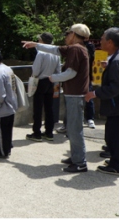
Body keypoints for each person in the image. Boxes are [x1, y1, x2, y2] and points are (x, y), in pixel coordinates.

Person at [23, 23, 90, 173]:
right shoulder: (78, 48)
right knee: (72, 128)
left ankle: (80, 162)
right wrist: (36, 45)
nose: (65, 36)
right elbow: (55, 49)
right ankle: (75, 156)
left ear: (73, 34)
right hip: (74, 93)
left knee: (74, 129)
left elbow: (71, 73)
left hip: (75, 94)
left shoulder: (76, 49)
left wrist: (53, 77)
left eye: (67, 33)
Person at [85, 27, 119, 175]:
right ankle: (115, 160)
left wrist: (94, 93)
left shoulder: (117, 61)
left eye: (103, 39)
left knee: (113, 136)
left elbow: (115, 88)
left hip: (116, 107)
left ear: (110, 42)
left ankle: (115, 165)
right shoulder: (115, 59)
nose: (100, 41)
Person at [25, 32, 61, 142]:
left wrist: (33, 79)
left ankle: (37, 133)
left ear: (41, 41)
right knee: (49, 108)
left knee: (38, 108)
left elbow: (35, 70)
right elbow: (58, 70)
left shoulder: (41, 52)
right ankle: (49, 132)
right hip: (51, 81)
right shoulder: (56, 53)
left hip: (40, 81)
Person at [84, 36, 96, 129]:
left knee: (89, 96)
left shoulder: (90, 46)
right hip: (77, 77)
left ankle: (90, 118)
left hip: (87, 75)